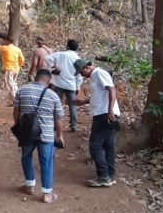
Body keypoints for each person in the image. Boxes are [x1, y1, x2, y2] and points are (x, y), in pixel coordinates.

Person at [13, 68, 65, 203]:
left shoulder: (21, 90)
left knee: (26, 157)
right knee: (46, 162)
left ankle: (30, 186)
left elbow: (16, 111)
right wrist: (59, 136)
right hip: (46, 134)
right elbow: (58, 119)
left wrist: (19, 127)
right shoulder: (53, 96)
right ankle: (47, 194)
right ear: (48, 81)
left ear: (36, 77)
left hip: (27, 132)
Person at [75, 59, 120, 187]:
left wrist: (110, 110)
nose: (81, 75)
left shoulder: (100, 73)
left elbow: (112, 90)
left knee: (95, 146)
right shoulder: (96, 77)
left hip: (104, 114)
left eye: (81, 72)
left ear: (86, 68)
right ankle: (109, 175)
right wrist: (82, 102)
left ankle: (103, 175)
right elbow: (100, 96)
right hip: (103, 113)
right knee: (108, 145)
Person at [51, 37, 82, 132]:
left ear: (67, 46)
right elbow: (79, 75)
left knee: (57, 104)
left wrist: (51, 70)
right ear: (76, 48)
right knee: (72, 105)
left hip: (59, 84)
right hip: (71, 85)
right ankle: (74, 125)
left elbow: (46, 59)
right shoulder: (78, 59)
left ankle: (56, 125)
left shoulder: (60, 54)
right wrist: (78, 86)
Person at [0, 34, 25, 100]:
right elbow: (22, 59)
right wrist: (19, 65)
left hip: (9, 70)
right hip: (16, 69)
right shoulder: (18, 49)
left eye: (5, 41)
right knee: (13, 83)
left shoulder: (6, 48)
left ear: (7, 41)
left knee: (10, 85)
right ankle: (15, 96)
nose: (4, 42)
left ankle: (15, 99)